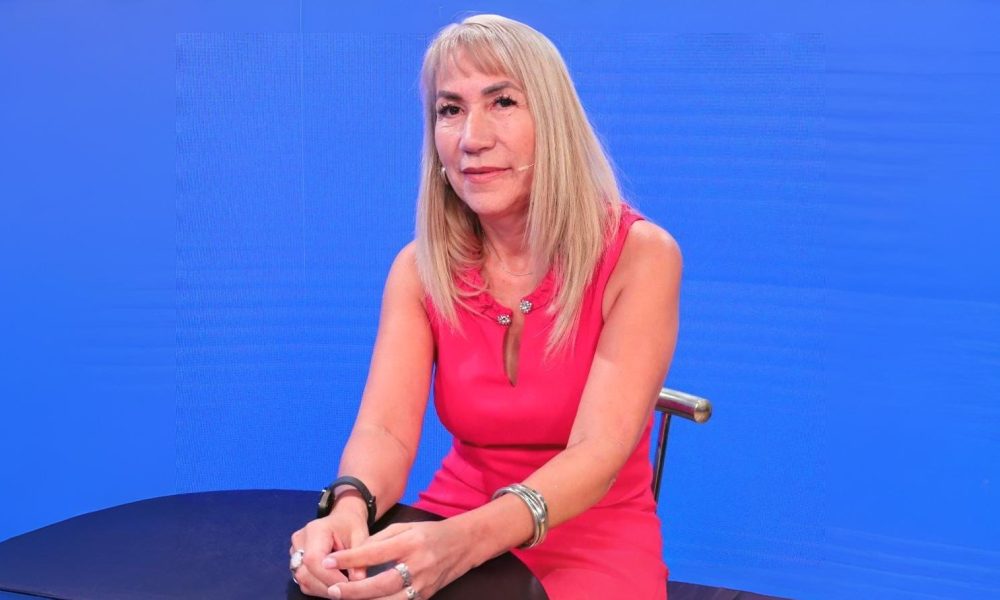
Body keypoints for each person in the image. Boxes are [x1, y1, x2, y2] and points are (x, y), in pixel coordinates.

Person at [289, 14, 681, 600]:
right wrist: (349, 507)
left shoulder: (641, 256)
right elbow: (385, 431)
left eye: (502, 102)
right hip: (453, 515)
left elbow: (597, 454)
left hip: (593, 534)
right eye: (450, 109)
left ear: (553, 120)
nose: (472, 137)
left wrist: (463, 543)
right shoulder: (418, 269)